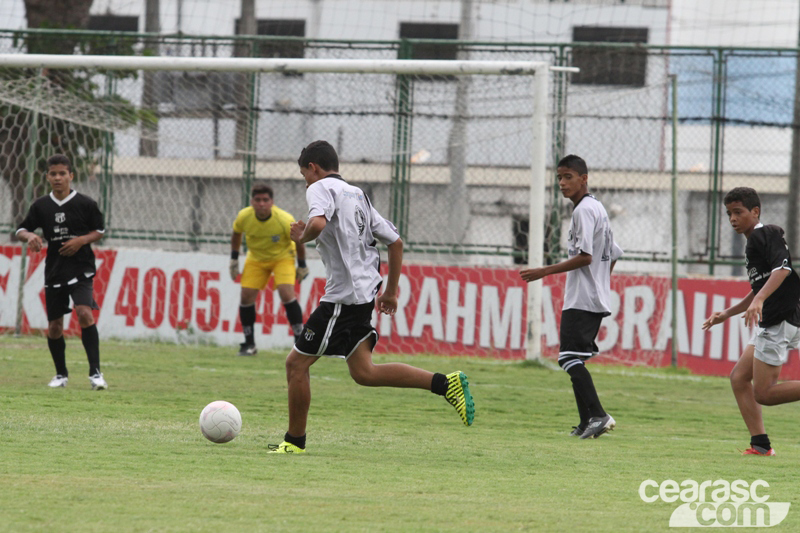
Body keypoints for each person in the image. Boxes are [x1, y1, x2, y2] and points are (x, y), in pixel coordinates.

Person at [267, 140, 475, 454]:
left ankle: (294, 442)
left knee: (296, 364)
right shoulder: (358, 194)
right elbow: (396, 242)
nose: (305, 181)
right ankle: (446, 384)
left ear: (313, 168)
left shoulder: (320, 187)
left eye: (304, 175)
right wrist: (390, 292)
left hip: (343, 298)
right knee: (364, 372)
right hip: (364, 294)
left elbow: (318, 222)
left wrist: (302, 235)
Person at [520, 154, 622, 439]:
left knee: (568, 358)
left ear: (583, 178)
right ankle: (586, 421)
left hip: (582, 297)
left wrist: (543, 271)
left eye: (568, 177)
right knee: (574, 357)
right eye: (559, 178)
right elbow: (614, 252)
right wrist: (601, 281)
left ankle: (599, 415)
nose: (562, 183)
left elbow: (586, 257)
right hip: (591, 295)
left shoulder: (583, 212)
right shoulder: (597, 208)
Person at [703, 187, 800, 456]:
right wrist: (728, 313)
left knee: (764, 394)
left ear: (755, 211)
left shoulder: (764, 233)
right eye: (729, 213)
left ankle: (761, 445)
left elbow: (783, 269)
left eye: (738, 212)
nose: (732, 218)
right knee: (739, 378)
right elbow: (760, 287)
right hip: (776, 318)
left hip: (779, 319)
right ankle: (761, 445)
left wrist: (760, 301)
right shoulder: (754, 242)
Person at [15, 154, 107, 390]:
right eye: (53, 174)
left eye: (62, 174)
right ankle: (61, 375)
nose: (58, 178)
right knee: (55, 326)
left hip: (81, 268)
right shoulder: (41, 206)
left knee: (85, 313)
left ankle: (96, 374)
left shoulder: (85, 203)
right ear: (47, 177)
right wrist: (31, 236)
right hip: (55, 270)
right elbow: (21, 229)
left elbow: (99, 230)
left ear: (71, 176)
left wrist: (81, 241)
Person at [229, 182, 309, 356]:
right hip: (256, 258)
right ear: (252, 202)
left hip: (282, 257)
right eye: (258, 200)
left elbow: (299, 240)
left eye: (265, 200)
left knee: (286, 293)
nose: (262, 204)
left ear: (272, 202)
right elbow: (236, 234)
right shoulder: (244, 216)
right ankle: (249, 344)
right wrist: (234, 259)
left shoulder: (284, 219)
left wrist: (302, 264)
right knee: (246, 297)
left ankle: (299, 341)